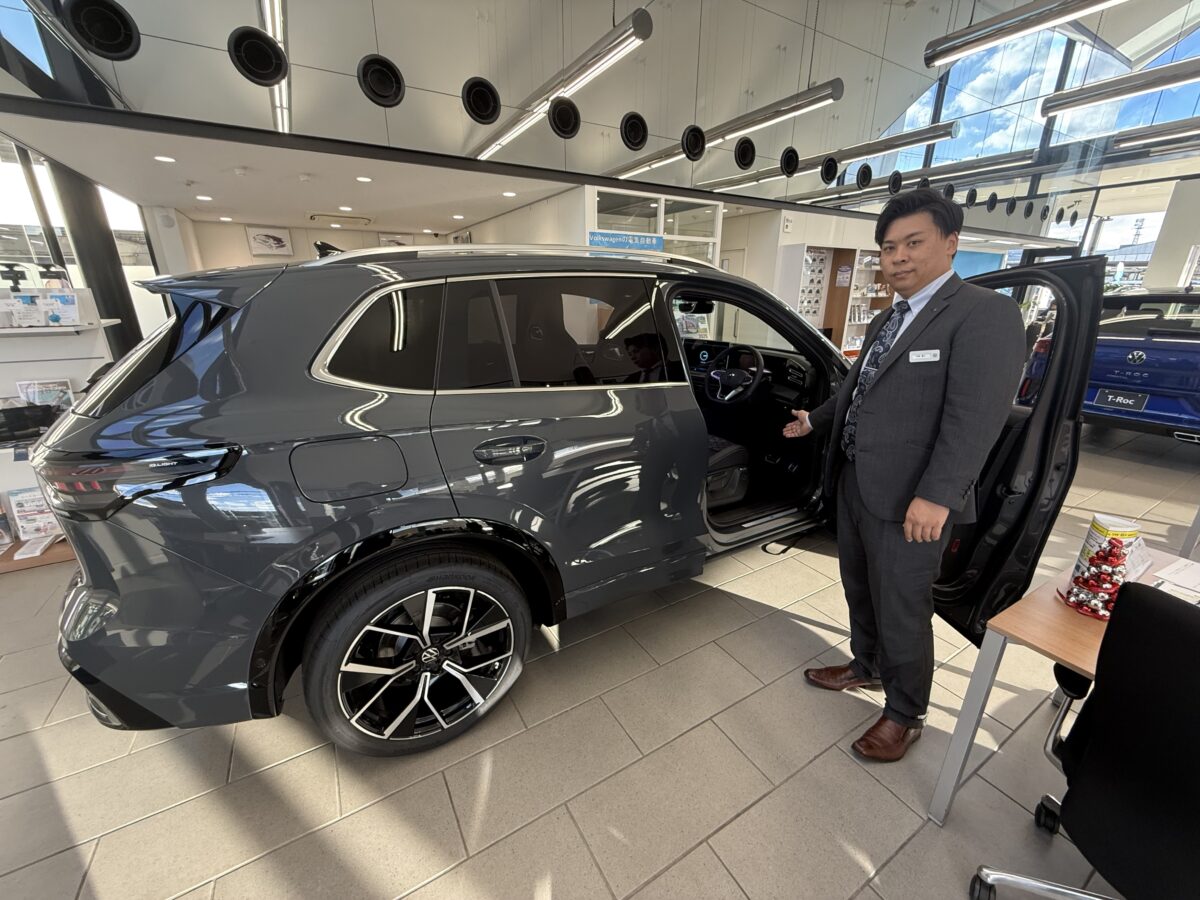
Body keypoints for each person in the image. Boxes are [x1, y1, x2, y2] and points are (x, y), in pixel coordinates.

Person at [783, 188, 1026, 762]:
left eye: (913, 243)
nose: (898, 258)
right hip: (857, 481)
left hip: (914, 499)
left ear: (951, 242)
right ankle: (866, 665)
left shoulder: (984, 314)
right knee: (860, 586)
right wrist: (815, 419)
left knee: (903, 606)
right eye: (889, 247)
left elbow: (975, 418)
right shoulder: (887, 319)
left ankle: (905, 712)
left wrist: (937, 496)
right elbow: (859, 389)